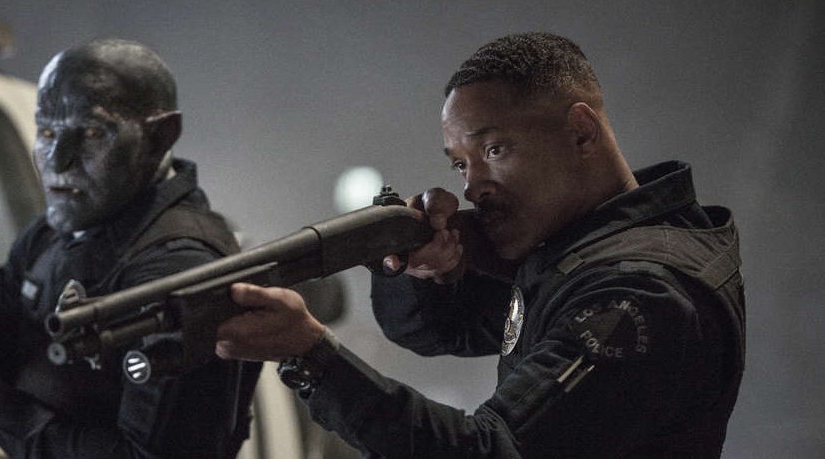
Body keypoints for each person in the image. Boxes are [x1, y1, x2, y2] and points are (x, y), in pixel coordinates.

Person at [215, 32, 745, 457]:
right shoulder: (582, 251)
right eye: (460, 164)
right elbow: (433, 331)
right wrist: (424, 267)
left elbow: (491, 450)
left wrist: (311, 355)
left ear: (581, 132)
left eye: (494, 149)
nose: (472, 187)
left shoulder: (636, 295)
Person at [0, 38, 261, 458]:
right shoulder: (61, 229)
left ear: (159, 137)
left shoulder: (180, 269)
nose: (57, 159)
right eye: (47, 131)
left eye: (92, 133)